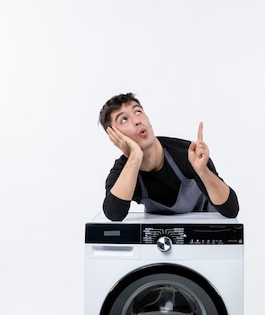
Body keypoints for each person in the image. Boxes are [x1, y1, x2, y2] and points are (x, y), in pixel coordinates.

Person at [98, 93, 239, 221]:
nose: (136, 120)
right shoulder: (123, 171)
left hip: (208, 232)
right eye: (124, 120)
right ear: (114, 136)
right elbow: (114, 214)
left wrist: (203, 171)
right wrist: (135, 156)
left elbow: (231, 210)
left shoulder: (188, 154)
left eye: (138, 111)